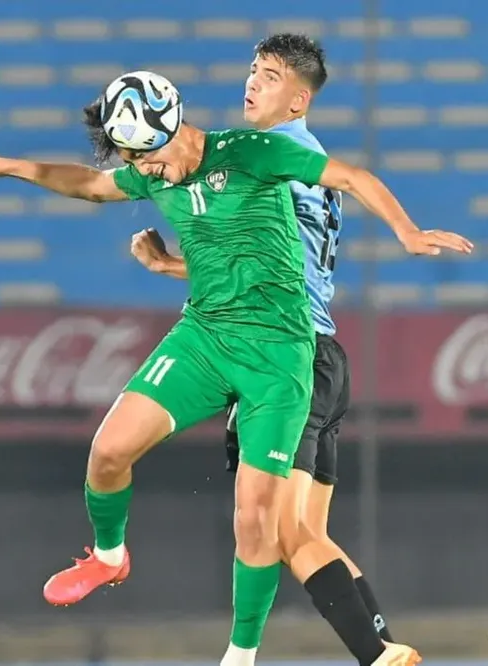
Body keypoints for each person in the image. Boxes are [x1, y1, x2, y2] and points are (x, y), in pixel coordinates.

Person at [0, 72, 470, 666]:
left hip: (279, 355)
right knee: (108, 452)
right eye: (133, 163)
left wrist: (405, 231)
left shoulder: (252, 153)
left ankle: (240, 655)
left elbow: (349, 177)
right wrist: (5, 165)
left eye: (145, 159)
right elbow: (93, 185)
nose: (142, 174)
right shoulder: (151, 167)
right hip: (205, 336)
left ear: (172, 128)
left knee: (258, 521)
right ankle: (109, 554)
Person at [129, 33, 407, 648]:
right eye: (254, 69)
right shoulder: (300, 156)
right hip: (326, 355)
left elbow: (262, 272)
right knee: (307, 533)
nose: (253, 82)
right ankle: (387, 646)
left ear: (298, 100)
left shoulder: (267, 158)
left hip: (283, 351)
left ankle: (377, 653)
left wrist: (168, 266)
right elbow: (271, 260)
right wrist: (173, 265)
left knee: (279, 534)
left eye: (272, 75)